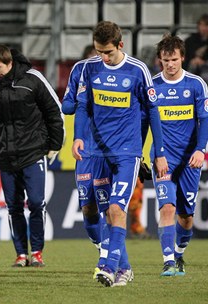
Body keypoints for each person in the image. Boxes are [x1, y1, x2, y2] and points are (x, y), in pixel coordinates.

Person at [72, 21, 168, 287]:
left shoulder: (138, 71)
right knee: (104, 212)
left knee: (116, 208)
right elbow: (81, 106)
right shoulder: (89, 68)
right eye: (99, 51)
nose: (103, 57)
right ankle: (124, 268)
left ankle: (108, 266)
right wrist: (78, 137)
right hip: (97, 152)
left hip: (127, 153)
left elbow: (153, 112)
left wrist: (158, 153)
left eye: (108, 52)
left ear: (120, 45)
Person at [0, 44, 64, 268]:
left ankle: (36, 252)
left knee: (36, 202)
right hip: (5, 155)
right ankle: (20, 254)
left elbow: (54, 111)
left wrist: (55, 144)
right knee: (13, 206)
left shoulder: (33, 79)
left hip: (33, 151)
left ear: (9, 63)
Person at [151, 34, 208, 277]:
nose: (170, 64)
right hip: (163, 158)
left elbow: (204, 120)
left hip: (190, 160)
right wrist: (148, 155)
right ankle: (168, 262)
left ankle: (179, 251)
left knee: (186, 216)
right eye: (166, 60)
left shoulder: (196, 85)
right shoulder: (152, 86)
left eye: (174, 59)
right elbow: (145, 124)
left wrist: (200, 150)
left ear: (182, 58)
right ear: (159, 60)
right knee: (167, 207)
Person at [62, 44, 107, 274]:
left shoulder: (116, 72)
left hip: (109, 148)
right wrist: (84, 100)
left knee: (109, 206)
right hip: (85, 149)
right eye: (96, 55)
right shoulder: (79, 70)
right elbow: (66, 104)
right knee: (88, 206)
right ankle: (101, 246)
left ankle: (109, 255)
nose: (100, 59)